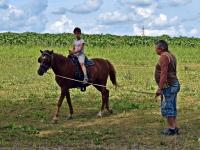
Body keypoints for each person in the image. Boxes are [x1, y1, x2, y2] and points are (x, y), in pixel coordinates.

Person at [154, 40, 180, 135]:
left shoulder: (164, 57)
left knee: (168, 106)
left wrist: (160, 88)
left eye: (156, 48)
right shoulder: (171, 55)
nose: (155, 50)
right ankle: (174, 126)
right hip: (173, 84)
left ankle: (171, 128)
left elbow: (163, 74)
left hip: (169, 86)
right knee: (172, 105)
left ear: (160, 48)